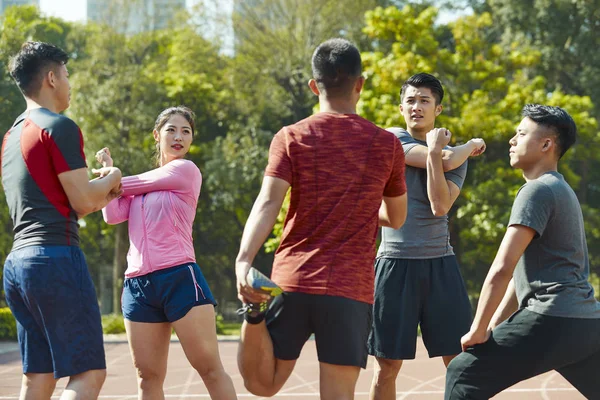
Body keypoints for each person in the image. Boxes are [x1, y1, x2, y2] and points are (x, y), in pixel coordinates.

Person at [235, 38, 408, 400]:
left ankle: (253, 312)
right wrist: (360, 207)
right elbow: (396, 216)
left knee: (261, 385)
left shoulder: (291, 136)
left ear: (315, 86)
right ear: (360, 84)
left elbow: (268, 202)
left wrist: (244, 259)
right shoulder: (386, 145)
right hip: (350, 289)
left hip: (293, 279)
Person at [445, 104, 600, 399]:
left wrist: (477, 331)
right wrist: (492, 328)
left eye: (521, 133)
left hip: (551, 318)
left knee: (462, 373)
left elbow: (502, 267)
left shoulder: (537, 190)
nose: (512, 140)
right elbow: (518, 280)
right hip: (587, 325)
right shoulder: (561, 190)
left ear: (546, 144)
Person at [2, 41, 122, 399]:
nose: (70, 84)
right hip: (55, 258)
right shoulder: (59, 127)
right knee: (88, 375)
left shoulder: (9, 137)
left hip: (18, 265)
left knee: (37, 378)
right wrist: (112, 176)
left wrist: (101, 189)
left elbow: (57, 196)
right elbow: (83, 201)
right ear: (52, 78)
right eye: (67, 75)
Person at [96, 106, 237, 399]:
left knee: (210, 369)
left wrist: (110, 178)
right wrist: (110, 174)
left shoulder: (186, 171)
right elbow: (111, 215)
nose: (178, 136)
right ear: (156, 135)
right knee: (147, 379)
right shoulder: (138, 190)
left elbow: (123, 186)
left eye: (186, 131)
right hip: (138, 285)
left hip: (179, 277)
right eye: (171, 129)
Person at [368, 73, 487, 400]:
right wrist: (468, 145)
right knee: (386, 367)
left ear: (438, 109)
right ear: (401, 107)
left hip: (440, 266)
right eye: (410, 100)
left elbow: (439, 206)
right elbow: (445, 157)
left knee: (460, 363)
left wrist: (440, 152)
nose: (416, 107)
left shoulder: (454, 159)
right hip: (394, 265)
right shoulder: (392, 138)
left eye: (424, 101)